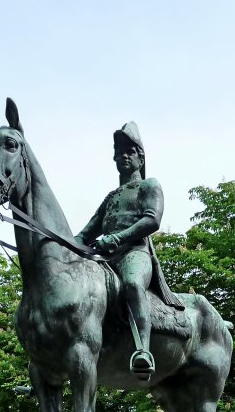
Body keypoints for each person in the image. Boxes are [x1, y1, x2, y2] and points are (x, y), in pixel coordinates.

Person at [75, 122, 183, 380]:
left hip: (134, 253)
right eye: (119, 151)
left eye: (130, 151)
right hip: (105, 260)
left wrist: (116, 238)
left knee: (133, 284)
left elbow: (151, 220)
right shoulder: (111, 197)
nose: (123, 155)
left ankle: (143, 350)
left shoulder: (148, 186)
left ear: (140, 158)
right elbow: (85, 234)